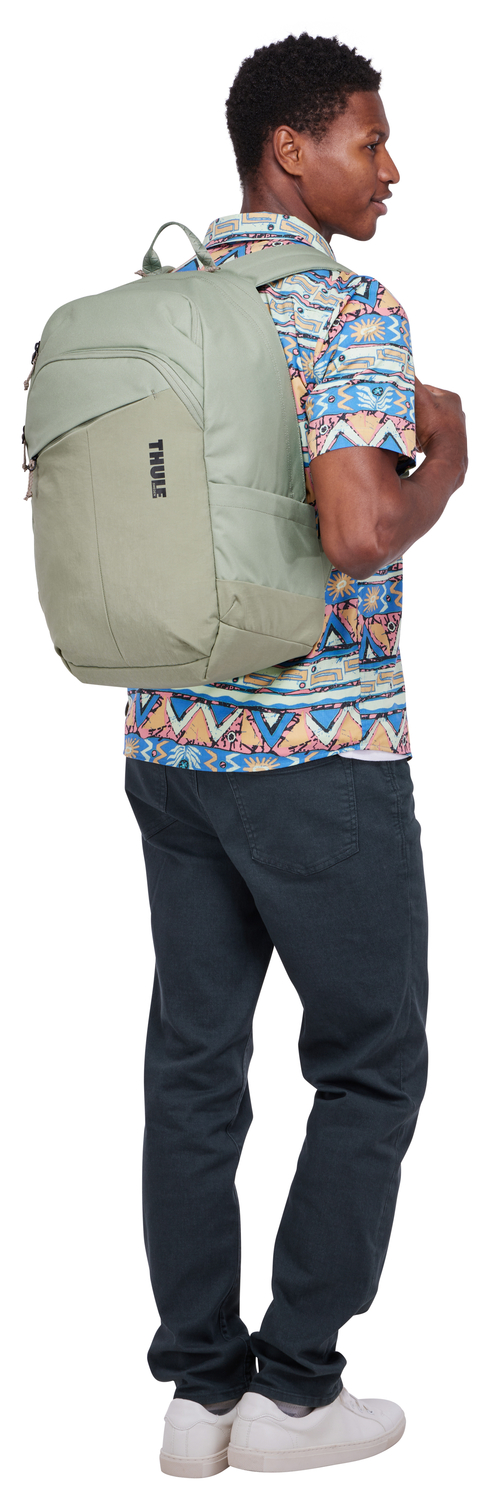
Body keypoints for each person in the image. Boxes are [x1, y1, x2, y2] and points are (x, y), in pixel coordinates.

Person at [124, 32, 467, 1477]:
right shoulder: (345, 309)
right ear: (291, 150)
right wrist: (447, 461)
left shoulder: (159, 296)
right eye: (367, 142)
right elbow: (356, 529)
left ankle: (198, 1397)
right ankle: (296, 1391)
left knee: (195, 1065)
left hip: (170, 739)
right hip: (318, 752)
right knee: (372, 1061)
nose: (389, 169)